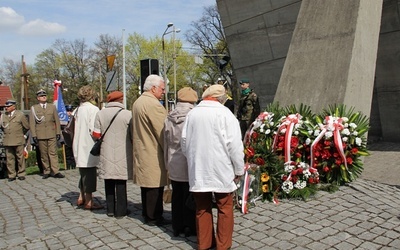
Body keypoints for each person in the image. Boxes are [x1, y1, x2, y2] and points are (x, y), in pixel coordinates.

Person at [181, 84, 244, 250]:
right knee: (225, 206)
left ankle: (204, 244)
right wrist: (239, 169)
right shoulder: (225, 114)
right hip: (221, 168)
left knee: (201, 207)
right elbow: (235, 146)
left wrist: (193, 160)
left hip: (199, 168)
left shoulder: (192, 114)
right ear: (221, 98)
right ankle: (223, 246)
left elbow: (184, 143)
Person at [131, 74, 169, 226]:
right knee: (154, 185)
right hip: (153, 150)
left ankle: (148, 213)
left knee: (147, 186)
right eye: (162, 88)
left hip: (142, 148)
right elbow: (162, 131)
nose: (164, 92)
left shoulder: (138, 102)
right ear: (153, 88)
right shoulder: (153, 104)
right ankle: (154, 216)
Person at [93, 91, 133, 218]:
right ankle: (121, 210)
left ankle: (110, 209)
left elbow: (96, 135)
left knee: (108, 180)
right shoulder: (128, 114)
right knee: (121, 181)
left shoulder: (100, 114)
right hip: (123, 151)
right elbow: (133, 135)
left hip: (106, 152)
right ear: (121, 100)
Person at [164, 87, 198, 237]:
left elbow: (165, 141)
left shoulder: (169, 116)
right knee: (190, 195)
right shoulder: (194, 115)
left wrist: (167, 162)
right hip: (188, 161)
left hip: (173, 160)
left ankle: (176, 226)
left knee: (177, 195)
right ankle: (190, 226)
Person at [73, 86, 103, 210]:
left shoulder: (78, 109)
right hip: (88, 144)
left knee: (83, 172)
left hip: (78, 142)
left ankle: (81, 196)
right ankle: (89, 201)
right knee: (90, 173)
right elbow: (94, 130)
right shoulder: (93, 109)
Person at [29, 89, 64, 179]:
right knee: (44, 154)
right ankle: (46, 171)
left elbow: (57, 120)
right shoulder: (34, 108)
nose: (43, 97)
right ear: (38, 98)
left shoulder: (52, 107)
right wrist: (34, 135)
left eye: (44, 95)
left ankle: (55, 171)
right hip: (40, 134)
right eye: (41, 96)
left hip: (51, 133)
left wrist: (58, 132)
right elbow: (32, 123)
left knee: (53, 153)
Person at [0, 100, 30, 181]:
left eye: (8, 106)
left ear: (14, 107)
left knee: (20, 158)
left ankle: (21, 173)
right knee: (10, 159)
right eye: (6, 106)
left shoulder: (20, 115)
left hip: (18, 139)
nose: (6, 108)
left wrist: (22, 135)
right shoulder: (3, 116)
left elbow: (26, 127)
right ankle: (11, 175)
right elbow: (2, 127)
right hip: (8, 140)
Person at [64, 104, 76, 169]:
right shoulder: (63, 119)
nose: (69, 112)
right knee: (67, 153)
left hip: (73, 137)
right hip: (66, 138)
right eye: (68, 110)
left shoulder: (73, 118)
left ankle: (73, 165)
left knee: (73, 153)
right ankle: (68, 165)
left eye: (70, 110)